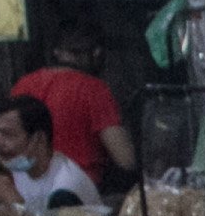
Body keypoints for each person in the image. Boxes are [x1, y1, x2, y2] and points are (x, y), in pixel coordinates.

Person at [9, 22, 135, 182]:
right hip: (79, 195)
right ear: (97, 53)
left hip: (26, 188)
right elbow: (126, 160)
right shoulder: (94, 89)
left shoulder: (23, 84)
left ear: (57, 52)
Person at [0, 95, 99, 213]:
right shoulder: (22, 164)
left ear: (39, 139)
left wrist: (14, 202)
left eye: (8, 134)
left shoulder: (64, 191)